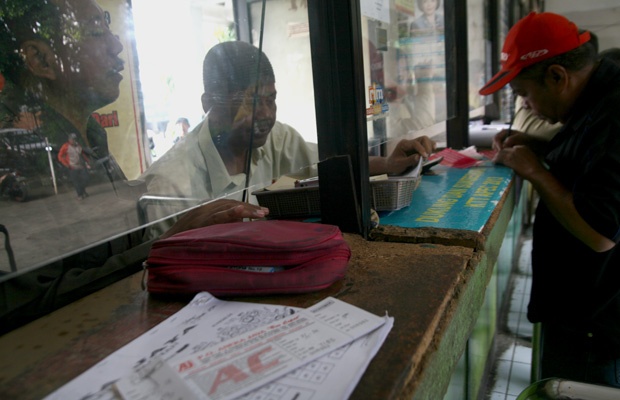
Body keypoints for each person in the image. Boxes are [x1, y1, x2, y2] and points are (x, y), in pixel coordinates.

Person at [141, 41, 436, 233]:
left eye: (271, 99)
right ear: (209, 105)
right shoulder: (170, 187)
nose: (266, 114)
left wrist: (388, 163)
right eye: (250, 103)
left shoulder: (275, 138)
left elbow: (329, 164)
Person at [479, 12, 620, 387]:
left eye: (524, 94)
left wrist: (536, 172)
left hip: (593, 329)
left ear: (557, 76)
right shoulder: (598, 99)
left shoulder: (615, 116)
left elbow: (600, 232)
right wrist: (539, 146)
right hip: (579, 311)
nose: (525, 106)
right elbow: (585, 161)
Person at [0, 0, 126, 184]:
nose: (117, 46)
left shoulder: (91, 131)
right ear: (41, 60)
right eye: (97, 31)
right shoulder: (10, 141)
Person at [58, 132, 91, 200]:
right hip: (72, 167)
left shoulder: (78, 145)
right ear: (69, 140)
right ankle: (80, 194)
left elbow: (82, 154)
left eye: (75, 139)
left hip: (81, 165)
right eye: (72, 139)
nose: (74, 141)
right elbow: (60, 156)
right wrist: (66, 164)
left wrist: (87, 161)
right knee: (76, 181)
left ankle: (82, 190)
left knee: (86, 179)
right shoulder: (65, 146)